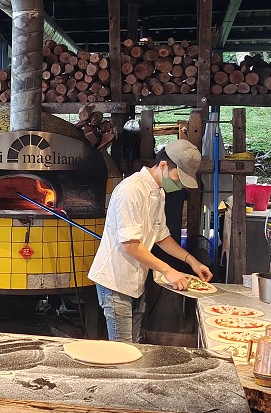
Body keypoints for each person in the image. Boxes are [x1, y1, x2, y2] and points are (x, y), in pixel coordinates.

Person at [88, 139, 213, 343]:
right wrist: (168, 270)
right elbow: (130, 245)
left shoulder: (159, 192)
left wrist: (191, 260)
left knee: (135, 346)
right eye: (178, 178)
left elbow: (161, 236)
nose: (179, 184)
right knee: (122, 350)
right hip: (115, 281)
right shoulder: (131, 190)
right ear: (163, 165)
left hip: (136, 281)